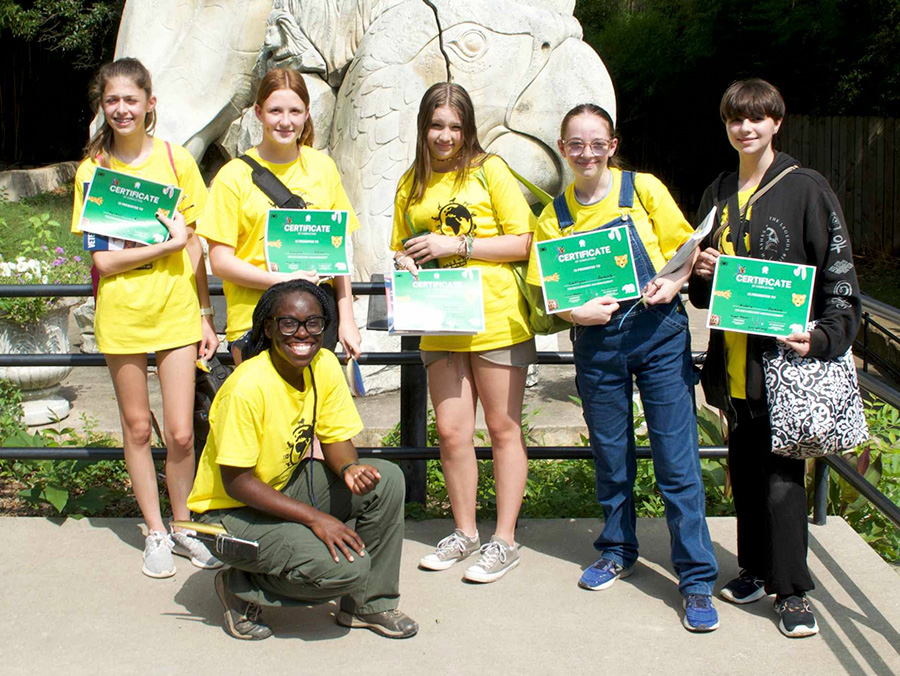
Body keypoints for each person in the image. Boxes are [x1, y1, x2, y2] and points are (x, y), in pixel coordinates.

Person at [526, 104, 719, 631]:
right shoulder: (553, 215)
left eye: (596, 143)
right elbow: (544, 286)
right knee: (611, 455)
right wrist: (574, 312)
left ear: (612, 145)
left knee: (676, 460)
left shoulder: (644, 189)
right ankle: (617, 548)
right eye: (575, 144)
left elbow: (688, 246)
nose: (586, 153)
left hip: (659, 333)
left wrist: (674, 283)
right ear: (563, 149)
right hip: (597, 342)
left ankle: (697, 577)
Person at [689, 78, 861, 638]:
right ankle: (756, 569)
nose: (746, 128)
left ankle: (792, 592)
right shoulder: (717, 192)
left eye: (757, 118)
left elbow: (839, 278)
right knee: (743, 466)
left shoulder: (806, 187)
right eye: (736, 118)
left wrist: (828, 337)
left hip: (785, 364)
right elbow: (699, 287)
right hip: (733, 362)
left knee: (784, 480)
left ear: (776, 122)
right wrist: (703, 273)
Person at [187, 280, 417, 641]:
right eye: (289, 323)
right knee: (348, 570)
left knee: (386, 479)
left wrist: (349, 468)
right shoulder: (247, 387)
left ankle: (368, 606)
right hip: (228, 512)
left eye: (313, 323)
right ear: (267, 327)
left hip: (279, 488)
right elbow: (237, 482)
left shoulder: (322, 363)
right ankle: (240, 586)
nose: (302, 334)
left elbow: (336, 436)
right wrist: (317, 519)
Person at [70, 58, 220, 577]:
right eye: (112, 101)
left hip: (178, 311)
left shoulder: (179, 162)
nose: (121, 109)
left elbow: (196, 245)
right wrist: (166, 244)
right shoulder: (94, 172)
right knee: (137, 427)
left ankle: (183, 527)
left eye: (131, 100)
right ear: (103, 107)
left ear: (149, 103)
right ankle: (155, 530)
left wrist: (205, 312)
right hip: (122, 314)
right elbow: (103, 260)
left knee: (180, 433)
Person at [390, 82, 535, 583]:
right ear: (423, 128)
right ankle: (466, 532)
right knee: (452, 432)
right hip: (440, 319)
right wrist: (404, 261)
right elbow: (400, 247)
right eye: (437, 125)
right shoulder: (410, 183)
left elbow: (522, 241)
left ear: (467, 128)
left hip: (496, 318)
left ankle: (505, 540)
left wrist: (455, 245)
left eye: (454, 126)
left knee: (501, 429)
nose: (445, 135)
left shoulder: (490, 170)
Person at [199, 68, 362, 365]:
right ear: (259, 113)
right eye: (275, 111)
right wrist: (281, 280)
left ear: (306, 114)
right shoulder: (232, 176)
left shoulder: (323, 168)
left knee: (312, 410)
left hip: (315, 320)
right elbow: (220, 261)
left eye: (294, 111)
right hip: (255, 320)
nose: (285, 121)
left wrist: (347, 318)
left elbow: (338, 253)